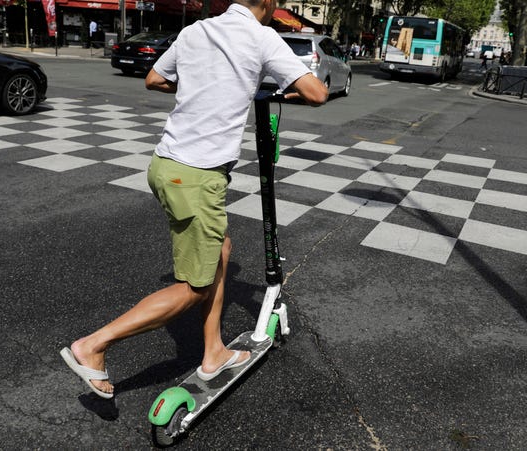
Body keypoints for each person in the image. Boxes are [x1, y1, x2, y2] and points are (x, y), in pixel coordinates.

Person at [59, 0, 328, 399]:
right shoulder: (261, 37)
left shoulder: (196, 30)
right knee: (195, 287)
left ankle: (214, 351)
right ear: (268, 4)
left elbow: (154, 79)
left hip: (166, 164)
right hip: (197, 176)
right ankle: (94, 345)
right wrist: (258, 88)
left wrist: (207, 86)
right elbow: (317, 93)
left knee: (222, 248)